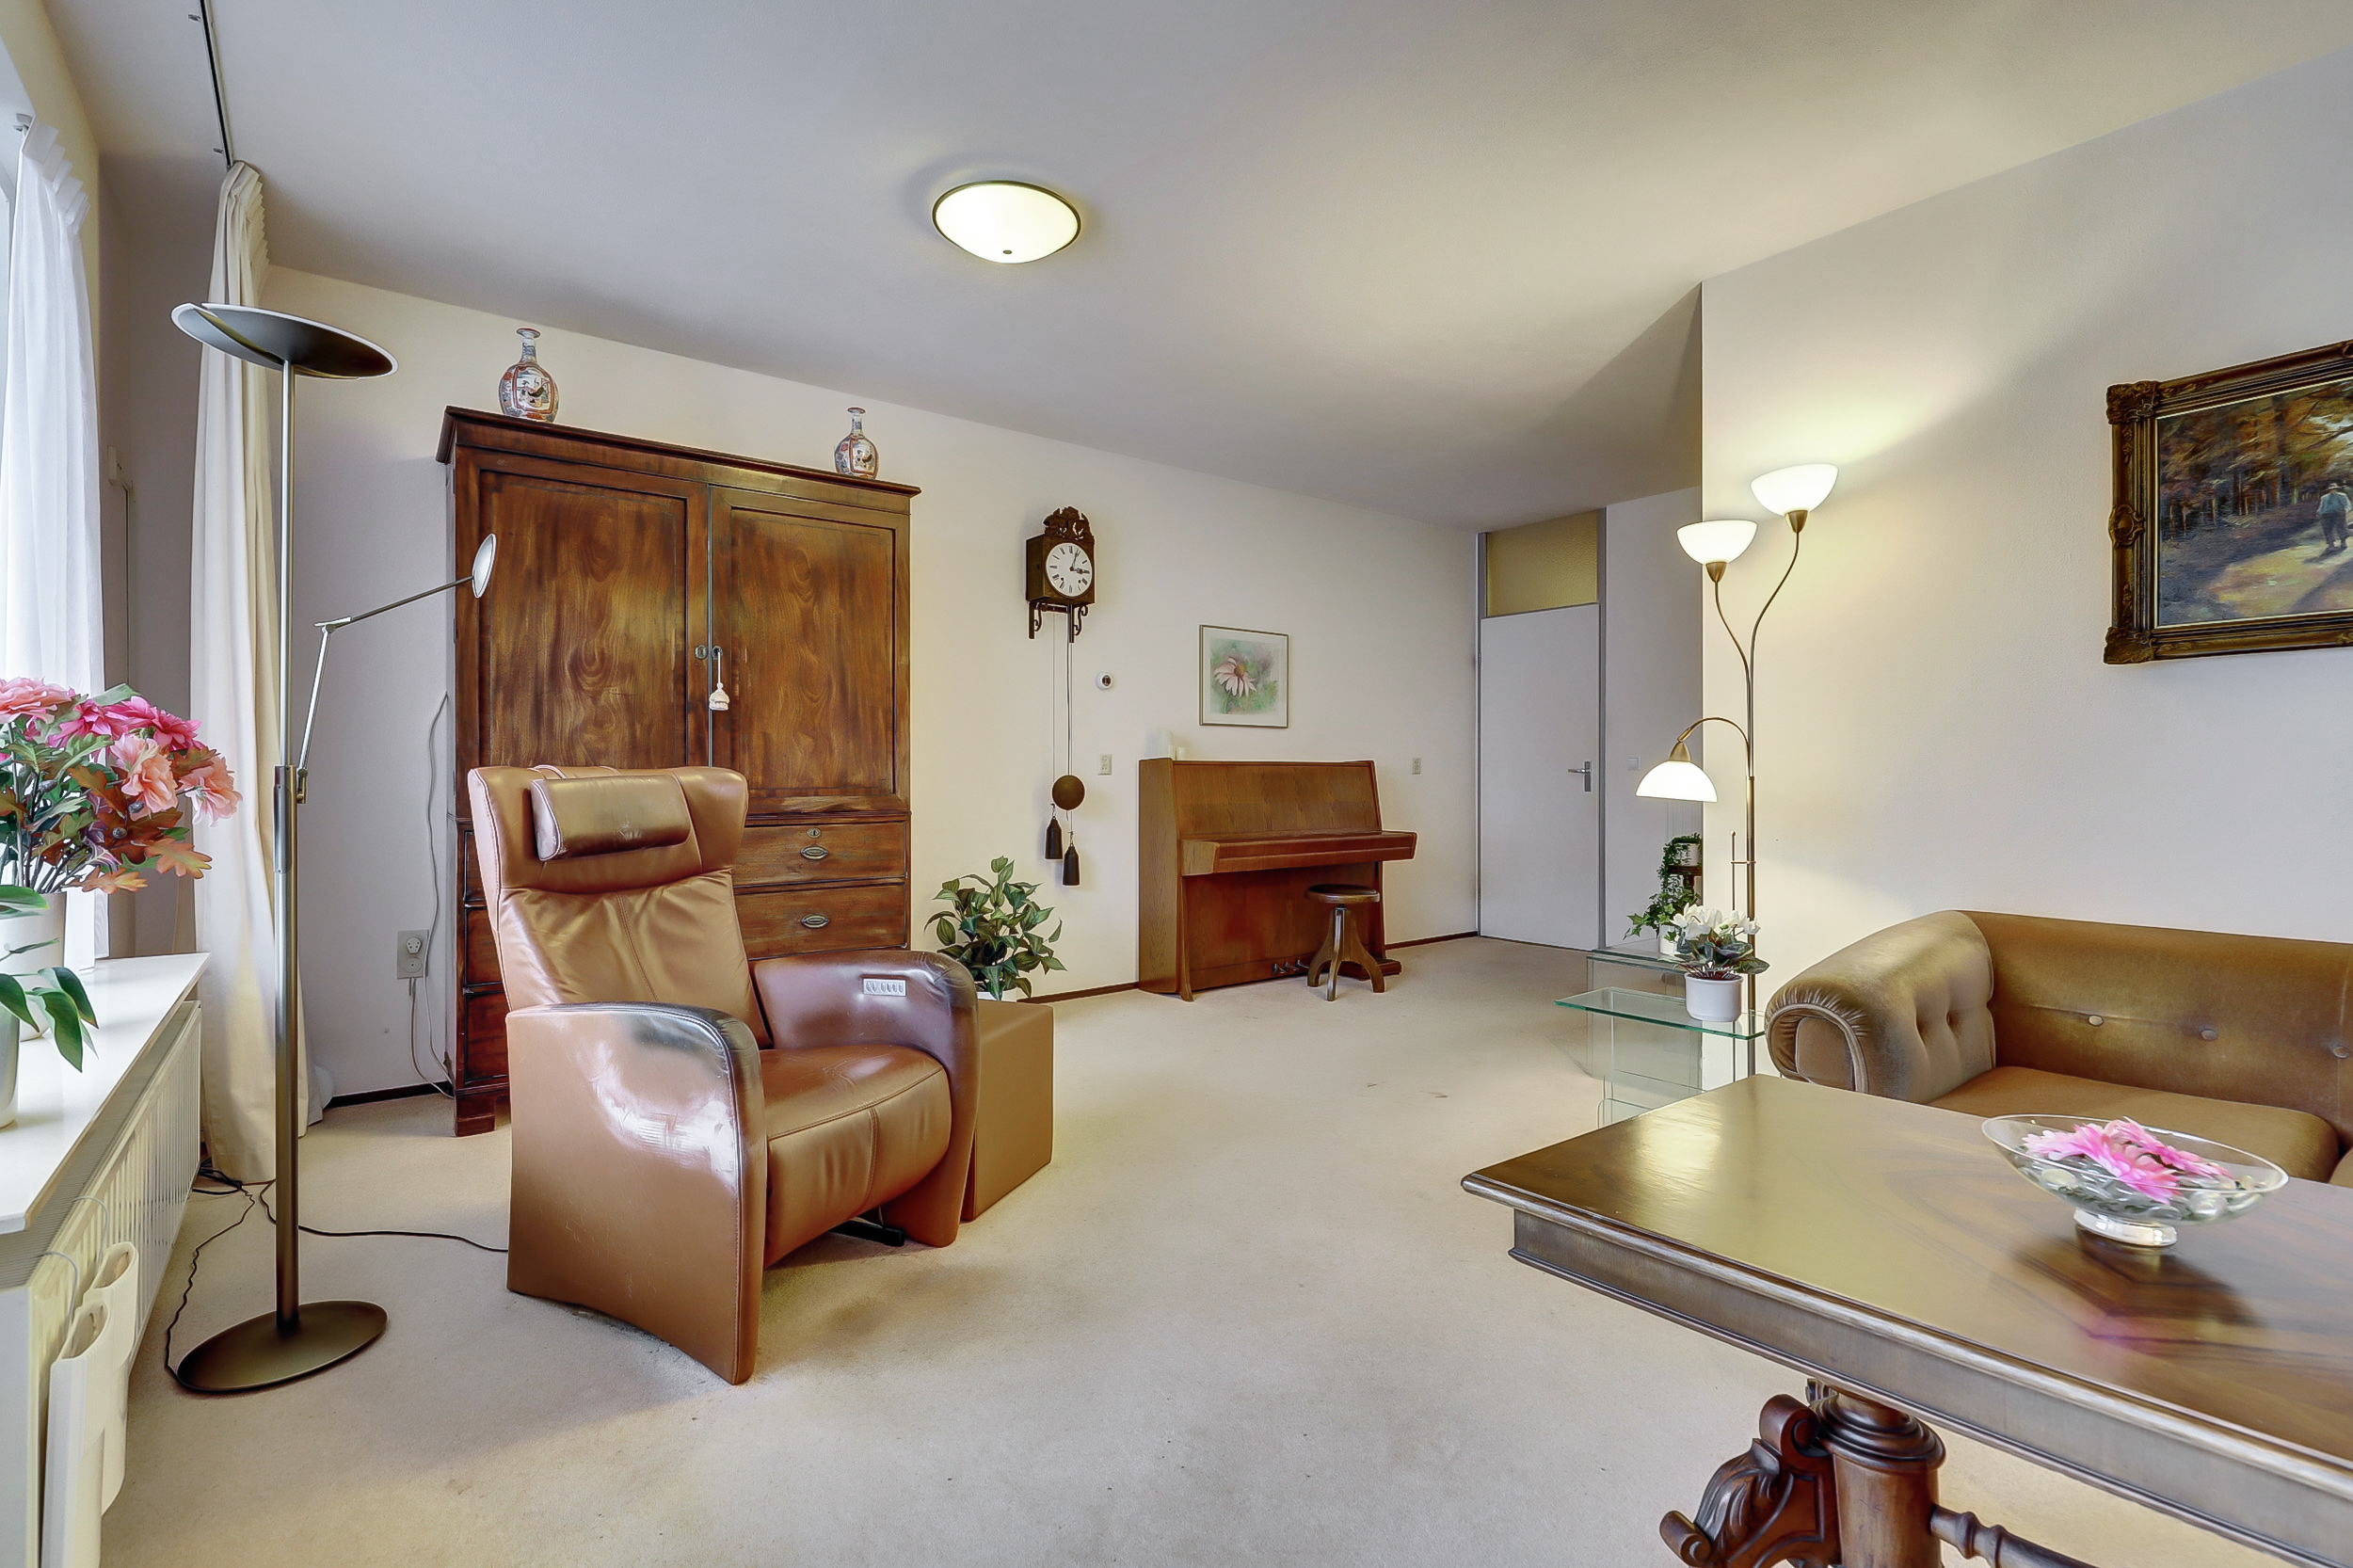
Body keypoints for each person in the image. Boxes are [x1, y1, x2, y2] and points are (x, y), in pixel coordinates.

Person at [2321, 482, 2351, 554]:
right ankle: (2331, 544)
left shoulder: (2342, 495)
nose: (2332, 490)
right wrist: (2320, 513)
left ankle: (2343, 542)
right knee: (2327, 529)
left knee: (2341, 527)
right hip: (2327, 514)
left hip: (2339, 513)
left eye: (2334, 489)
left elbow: (2347, 505)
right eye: (2331, 489)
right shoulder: (2324, 497)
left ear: (2336, 489)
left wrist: (2345, 510)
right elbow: (2322, 507)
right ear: (2329, 490)